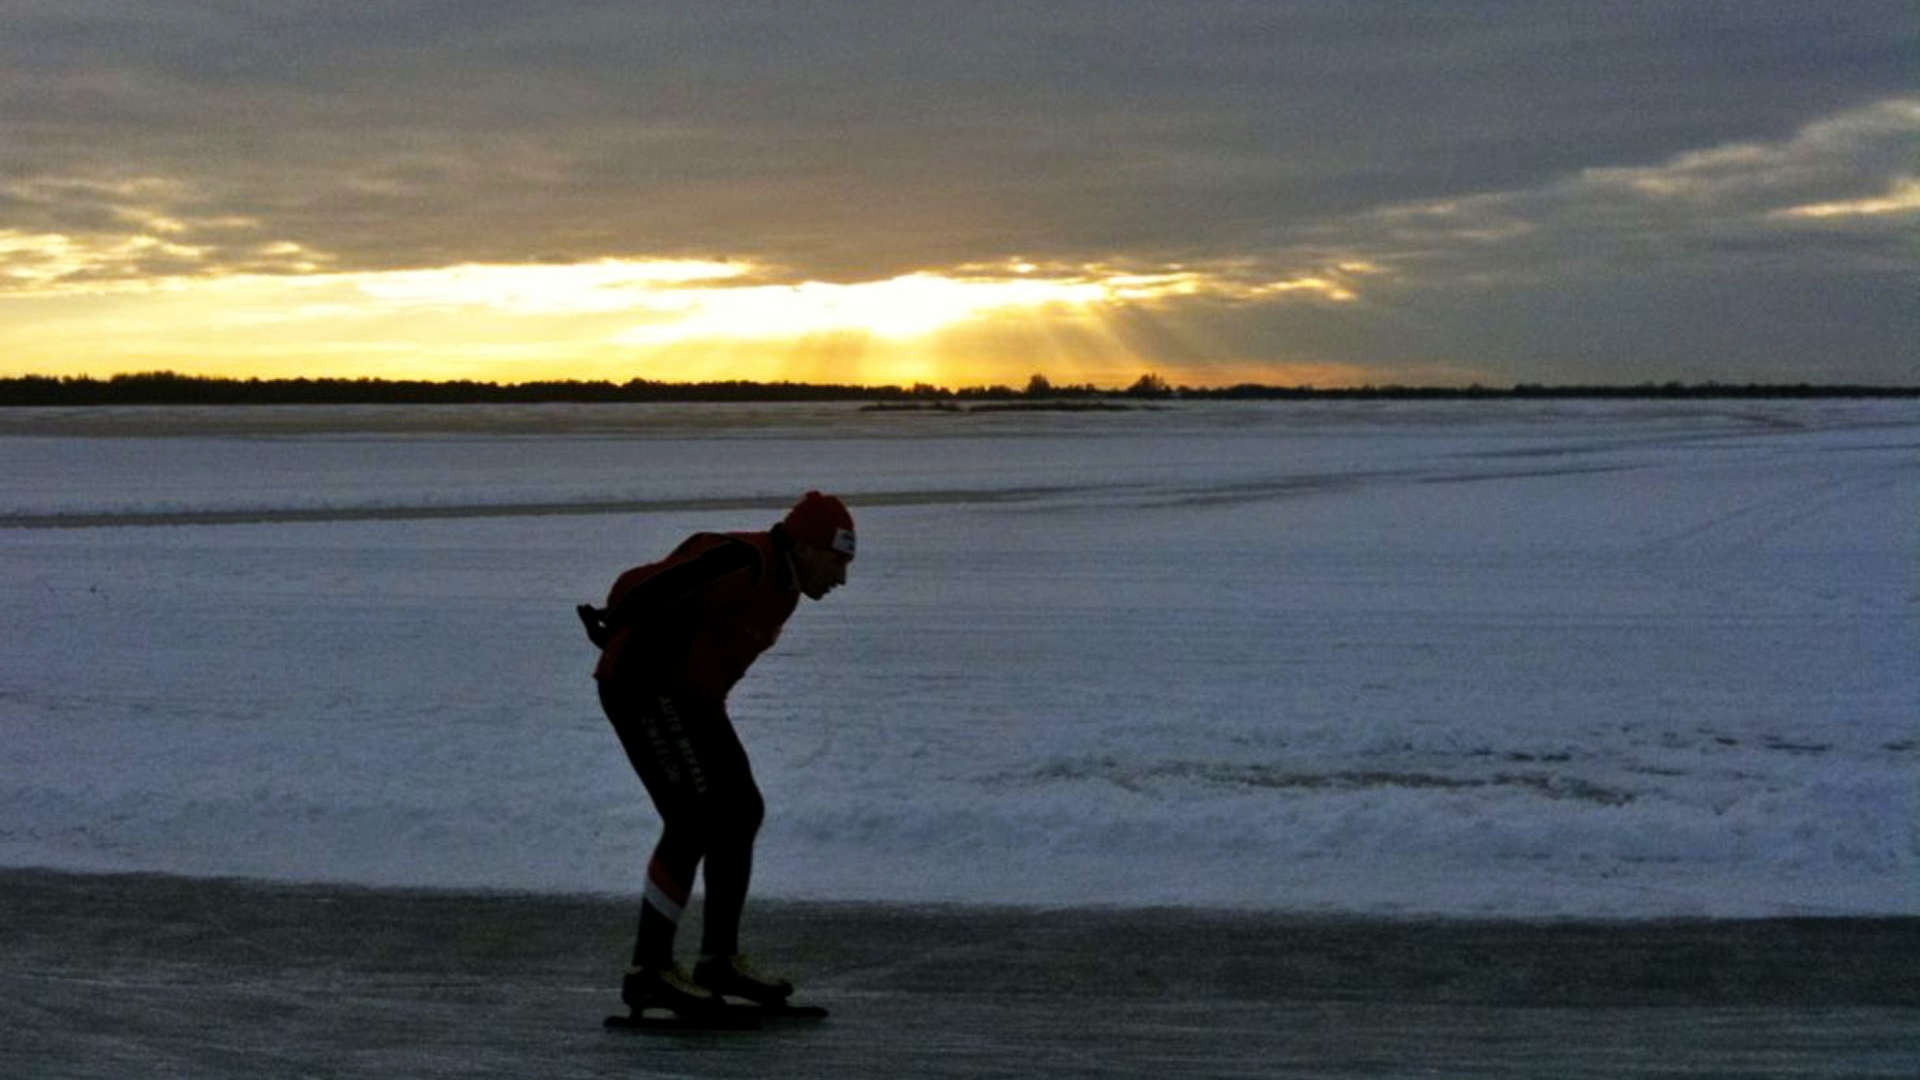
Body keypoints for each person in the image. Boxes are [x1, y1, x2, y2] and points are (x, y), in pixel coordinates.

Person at [577, 491, 855, 1014]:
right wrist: (615, 620)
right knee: (693, 818)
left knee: (741, 810)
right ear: (807, 546)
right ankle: (650, 971)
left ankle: (718, 961)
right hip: (644, 688)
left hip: (691, 700)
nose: (841, 578)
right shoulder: (744, 561)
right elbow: (655, 580)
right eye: (837, 561)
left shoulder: (784, 587)